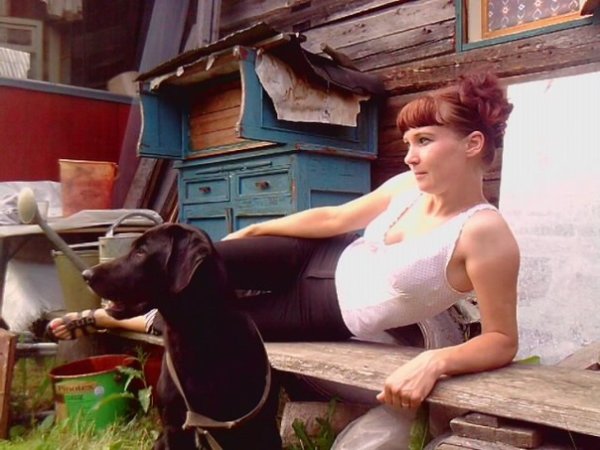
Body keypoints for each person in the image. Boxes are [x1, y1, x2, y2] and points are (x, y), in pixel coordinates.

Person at [46, 72, 519, 411]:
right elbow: (336, 217)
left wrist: (435, 361)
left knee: (203, 319)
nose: (410, 156)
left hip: (322, 311)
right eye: (409, 142)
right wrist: (259, 230)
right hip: (312, 256)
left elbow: (501, 341)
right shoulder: (407, 186)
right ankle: (115, 296)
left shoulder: (483, 233)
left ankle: (98, 317)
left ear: (473, 144)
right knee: (199, 263)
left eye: (425, 141)